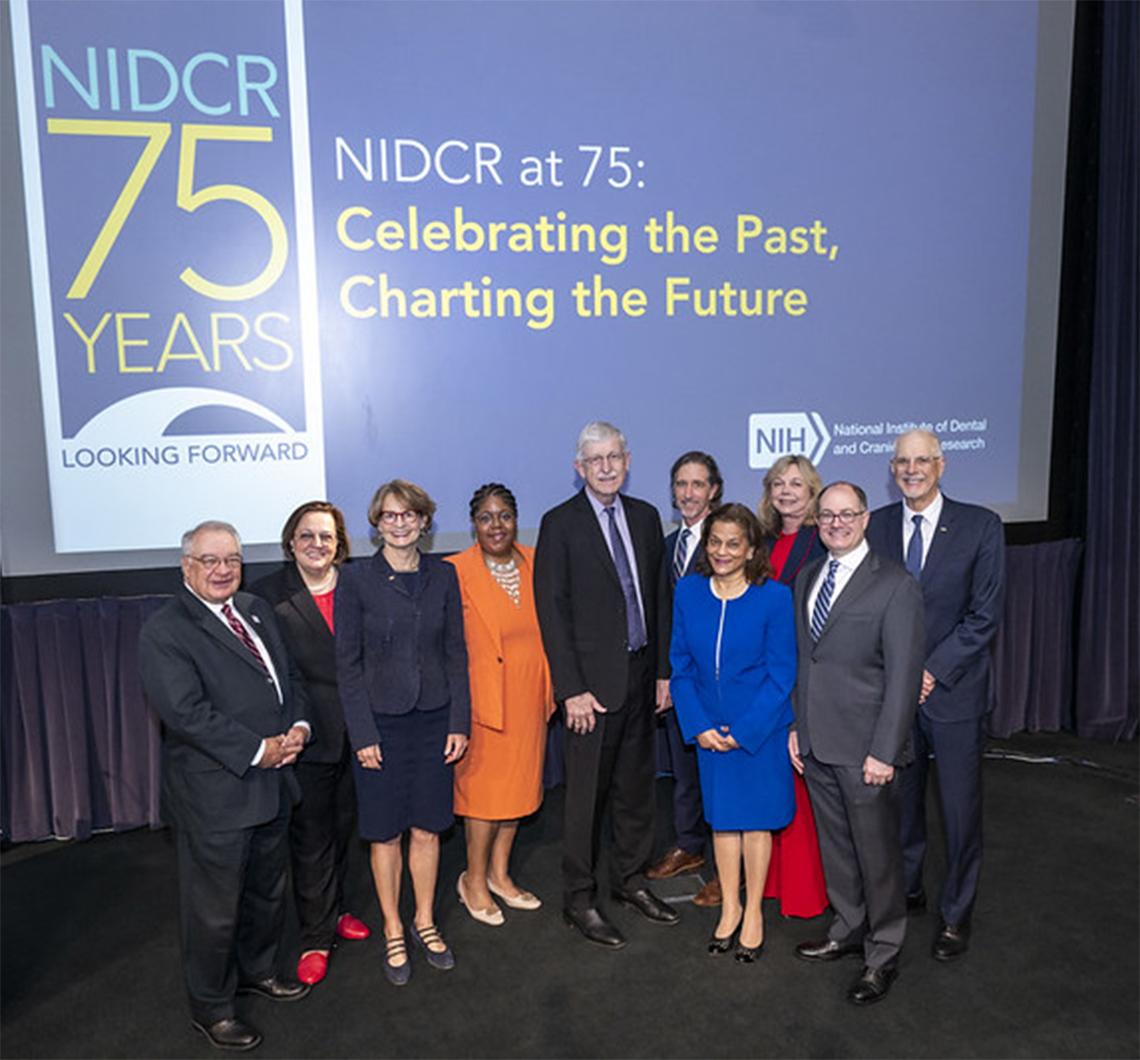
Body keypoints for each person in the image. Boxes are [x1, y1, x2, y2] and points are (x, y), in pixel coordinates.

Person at [139, 520, 311, 1052]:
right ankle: (211, 1007)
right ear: (186, 567)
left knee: (267, 891)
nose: (222, 570)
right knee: (213, 909)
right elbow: (187, 713)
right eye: (210, 560)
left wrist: (300, 727)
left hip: (274, 784)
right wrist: (260, 749)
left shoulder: (256, 610)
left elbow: (291, 680)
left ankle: (258, 971)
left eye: (231, 559)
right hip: (217, 793)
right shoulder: (165, 630)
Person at [535, 420, 678, 949]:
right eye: (595, 460)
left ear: (627, 458)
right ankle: (579, 898)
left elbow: (659, 600)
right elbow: (552, 611)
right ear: (579, 468)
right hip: (590, 691)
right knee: (585, 801)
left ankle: (631, 881)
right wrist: (570, 689)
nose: (606, 466)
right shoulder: (559, 524)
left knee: (637, 792)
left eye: (614, 456)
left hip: (641, 678)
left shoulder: (644, 518)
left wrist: (662, 670)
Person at [866, 429, 1005, 960]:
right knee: (900, 805)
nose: (912, 469)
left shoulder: (980, 525)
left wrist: (929, 671)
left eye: (922, 460)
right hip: (890, 697)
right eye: (903, 461)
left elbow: (985, 614)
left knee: (959, 808)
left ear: (941, 465)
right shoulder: (874, 527)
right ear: (892, 468)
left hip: (954, 693)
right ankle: (909, 890)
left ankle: (956, 914)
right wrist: (897, 674)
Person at [789, 483, 924, 1005]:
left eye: (847, 514)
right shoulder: (807, 578)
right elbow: (808, 661)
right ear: (817, 521)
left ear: (866, 518)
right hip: (818, 743)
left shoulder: (895, 585)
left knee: (879, 856)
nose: (836, 523)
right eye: (827, 515)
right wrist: (798, 727)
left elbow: (905, 676)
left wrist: (884, 751)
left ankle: (883, 952)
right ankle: (847, 928)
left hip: (868, 749)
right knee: (837, 849)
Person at [335, 481, 470, 986]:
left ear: (424, 522)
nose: (400, 523)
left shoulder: (445, 575)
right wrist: (362, 732)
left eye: (409, 515)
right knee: (385, 830)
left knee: (429, 827)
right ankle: (393, 924)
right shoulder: (355, 580)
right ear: (376, 523)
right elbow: (347, 666)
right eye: (389, 516)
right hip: (381, 726)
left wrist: (459, 722)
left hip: (435, 720)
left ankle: (425, 920)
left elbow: (457, 653)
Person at [669, 504, 798, 962]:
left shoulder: (774, 598)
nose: (722, 551)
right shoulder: (688, 592)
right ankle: (730, 906)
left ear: (750, 550)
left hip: (757, 734)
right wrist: (699, 725)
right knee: (723, 822)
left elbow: (782, 675)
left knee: (757, 823)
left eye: (732, 543)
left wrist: (744, 730)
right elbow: (680, 667)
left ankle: (755, 914)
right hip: (708, 731)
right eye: (715, 542)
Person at [251, 502, 371, 987]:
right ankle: (316, 936)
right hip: (310, 737)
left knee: (345, 830)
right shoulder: (265, 598)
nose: (317, 545)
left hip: (363, 735)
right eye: (307, 536)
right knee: (312, 840)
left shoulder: (360, 587)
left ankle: (338, 909)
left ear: (340, 544)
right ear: (290, 542)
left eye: (326, 536)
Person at [446, 483, 555, 925]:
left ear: (516, 518)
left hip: (531, 697)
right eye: (487, 517)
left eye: (505, 515)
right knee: (483, 800)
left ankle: (499, 874)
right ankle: (472, 879)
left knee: (519, 794)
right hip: (483, 703)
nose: (497, 525)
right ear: (474, 523)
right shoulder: (454, 571)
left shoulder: (537, 562)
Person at [647, 451, 724, 908]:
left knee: (719, 776)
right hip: (680, 677)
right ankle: (690, 846)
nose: (688, 493)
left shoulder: (727, 538)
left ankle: (723, 867)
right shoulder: (670, 542)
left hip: (718, 680)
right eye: (681, 484)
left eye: (697, 484)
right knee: (684, 770)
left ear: (714, 489)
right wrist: (666, 675)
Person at [756, 455, 829, 918]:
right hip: (762, 679)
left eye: (796, 484)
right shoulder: (759, 542)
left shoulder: (822, 541)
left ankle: (804, 889)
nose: (786, 491)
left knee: (803, 786)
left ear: (812, 490)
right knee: (772, 785)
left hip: (804, 678)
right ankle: (770, 881)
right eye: (778, 483)